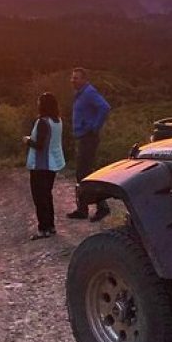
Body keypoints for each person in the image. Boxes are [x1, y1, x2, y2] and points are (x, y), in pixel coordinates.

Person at [67, 67, 111, 222]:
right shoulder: (80, 94)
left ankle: (101, 207)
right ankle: (83, 208)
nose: (73, 80)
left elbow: (105, 107)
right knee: (83, 173)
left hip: (88, 138)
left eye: (76, 78)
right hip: (83, 137)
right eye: (72, 78)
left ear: (84, 79)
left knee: (85, 173)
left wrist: (94, 127)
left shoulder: (89, 92)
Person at [23, 92, 66, 240]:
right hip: (53, 163)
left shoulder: (42, 122)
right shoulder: (58, 121)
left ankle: (43, 228)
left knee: (39, 197)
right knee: (47, 195)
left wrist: (27, 140)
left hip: (41, 164)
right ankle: (50, 225)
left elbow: (40, 145)